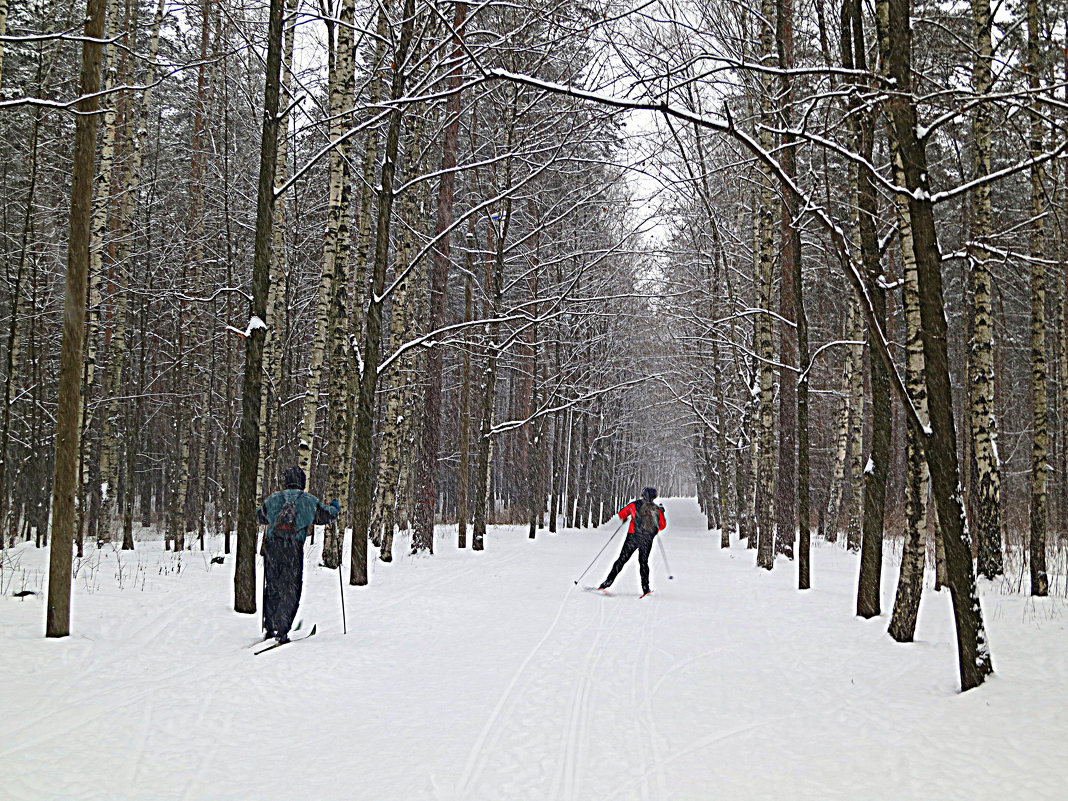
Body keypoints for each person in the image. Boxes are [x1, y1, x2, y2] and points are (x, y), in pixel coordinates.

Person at [256, 465, 339, 643]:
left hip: (273, 547)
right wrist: (335, 506)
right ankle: (283, 630)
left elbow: (260, 516)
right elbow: (326, 517)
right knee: (291, 588)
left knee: (273, 587)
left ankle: (270, 628)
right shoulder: (308, 500)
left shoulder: (274, 498)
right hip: (293, 548)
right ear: (302, 481)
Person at [598, 487, 666, 597]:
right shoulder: (656, 509)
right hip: (647, 539)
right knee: (643, 562)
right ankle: (646, 588)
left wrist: (628, 517)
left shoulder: (634, 505)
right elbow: (662, 526)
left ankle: (607, 583)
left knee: (622, 560)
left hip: (633, 537)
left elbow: (621, 514)